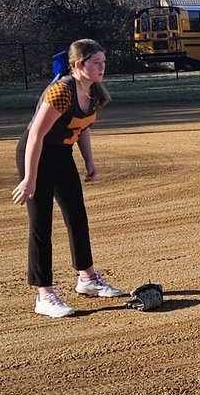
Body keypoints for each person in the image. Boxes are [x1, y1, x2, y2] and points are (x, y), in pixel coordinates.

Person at [12, 39, 125, 318]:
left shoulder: (94, 92)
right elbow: (36, 135)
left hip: (61, 155)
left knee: (77, 216)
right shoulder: (62, 92)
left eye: (103, 62)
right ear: (78, 65)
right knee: (41, 224)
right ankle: (45, 295)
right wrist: (29, 178)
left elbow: (82, 128)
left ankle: (87, 279)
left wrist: (89, 161)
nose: (102, 67)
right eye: (96, 62)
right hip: (36, 155)